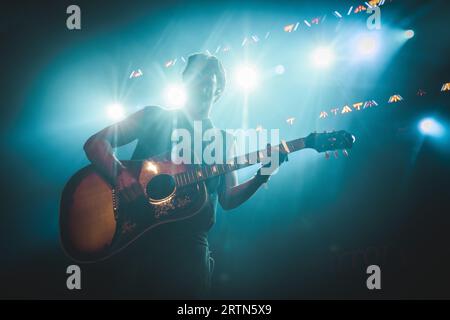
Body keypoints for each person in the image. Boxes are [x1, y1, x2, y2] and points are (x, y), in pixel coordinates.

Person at [83, 53, 287, 299]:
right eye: (193, 75)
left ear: (219, 89)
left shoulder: (223, 141)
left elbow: (228, 199)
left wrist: (263, 174)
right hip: (137, 239)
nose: (198, 80)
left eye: (205, 76)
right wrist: (120, 174)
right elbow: (96, 143)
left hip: (189, 251)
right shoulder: (153, 116)